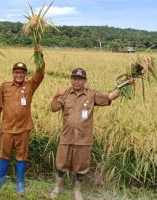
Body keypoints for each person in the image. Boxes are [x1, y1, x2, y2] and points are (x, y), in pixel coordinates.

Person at [49, 68, 134, 200]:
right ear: (71, 79)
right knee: (61, 163)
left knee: (81, 166)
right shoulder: (65, 93)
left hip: (83, 139)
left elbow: (111, 96)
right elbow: (53, 108)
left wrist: (126, 84)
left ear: (85, 81)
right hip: (66, 137)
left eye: (80, 79)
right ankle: (57, 187)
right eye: (74, 78)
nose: (77, 81)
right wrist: (56, 96)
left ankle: (77, 190)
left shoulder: (92, 95)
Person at [0, 48, 45, 194]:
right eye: (17, 72)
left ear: (25, 74)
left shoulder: (30, 85)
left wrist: (39, 56)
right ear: (13, 73)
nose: (19, 74)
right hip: (7, 128)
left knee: (22, 156)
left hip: (23, 129)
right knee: (4, 154)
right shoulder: (5, 86)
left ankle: (20, 182)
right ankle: (1, 178)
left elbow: (40, 75)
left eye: (22, 72)